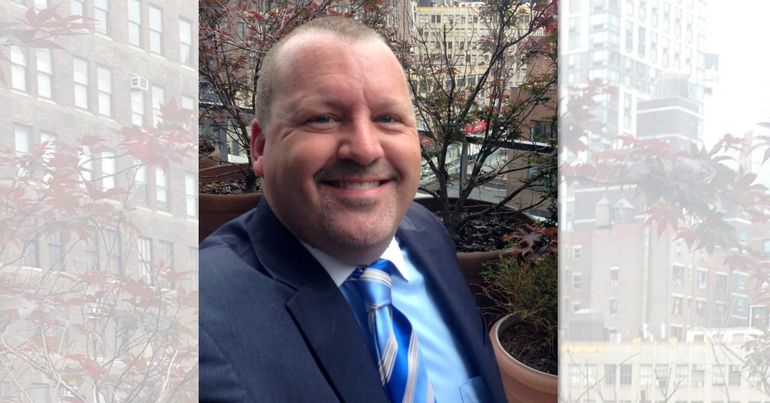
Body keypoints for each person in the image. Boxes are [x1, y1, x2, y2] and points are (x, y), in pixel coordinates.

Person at [199, 16, 507, 403]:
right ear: (260, 147)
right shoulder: (201, 322)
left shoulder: (426, 233)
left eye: (387, 119)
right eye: (323, 118)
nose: (364, 149)